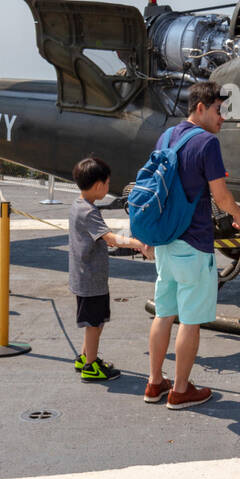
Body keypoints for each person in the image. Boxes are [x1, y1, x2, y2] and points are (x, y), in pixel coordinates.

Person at [145, 81, 240, 410]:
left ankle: (154, 383)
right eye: (219, 110)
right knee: (190, 321)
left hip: (165, 240)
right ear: (201, 108)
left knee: (163, 314)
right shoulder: (207, 143)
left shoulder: (166, 136)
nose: (223, 118)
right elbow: (220, 196)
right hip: (193, 243)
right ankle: (180, 390)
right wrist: (239, 215)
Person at [69, 156, 150, 382]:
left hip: (84, 276)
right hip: (91, 279)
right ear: (98, 185)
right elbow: (111, 239)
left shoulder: (78, 205)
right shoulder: (89, 212)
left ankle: (85, 357)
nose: (108, 187)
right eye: (107, 183)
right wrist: (139, 244)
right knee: (94, 323)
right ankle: (91, 366)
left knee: (96, 320)